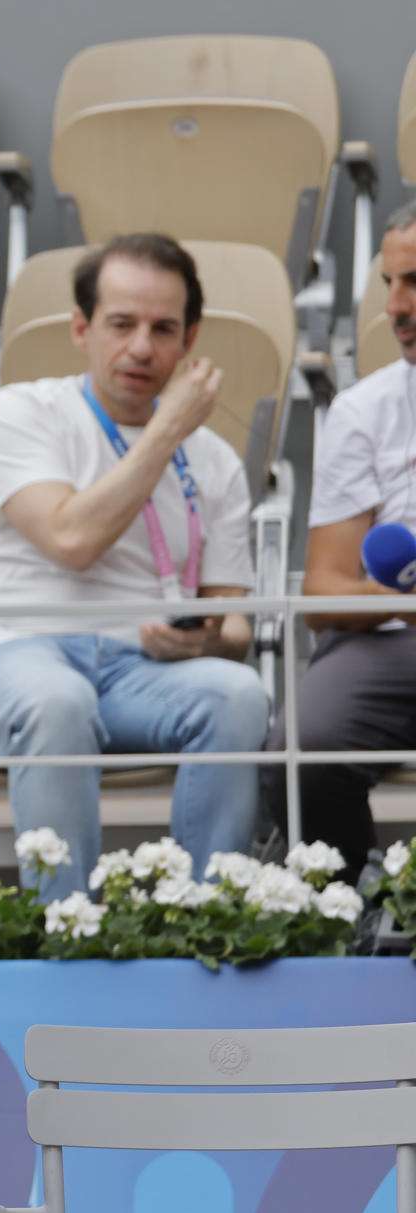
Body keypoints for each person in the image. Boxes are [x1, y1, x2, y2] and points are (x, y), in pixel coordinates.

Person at [0, 233, 269, 897]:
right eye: (122, 324)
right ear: (81, 328)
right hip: (5, 654)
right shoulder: (23, 411)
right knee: (60, 699)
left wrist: (201, 640)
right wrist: (166, 429)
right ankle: (69, 930)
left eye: (163, 329)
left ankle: (208, 915)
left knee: (240, 694)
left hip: (135, 672)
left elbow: (235, 625)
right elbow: (71, 538)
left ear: (189, 339)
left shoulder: (218, 462)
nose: (142, 348)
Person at [261, 202, 416, 874]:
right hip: (395, 634)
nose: (397, 308)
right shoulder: (365, 409)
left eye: (415, 283)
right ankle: (361, 905)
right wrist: (394, 595)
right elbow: (325, 590)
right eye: (389, 284)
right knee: (301, 746)